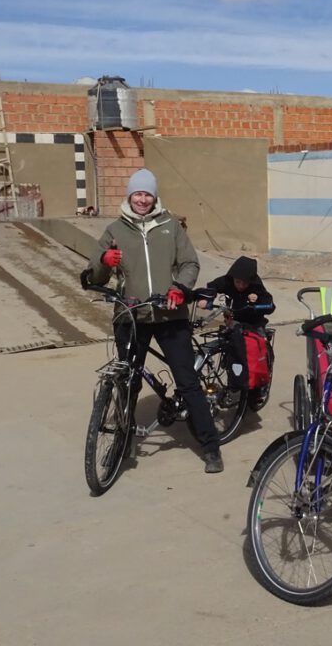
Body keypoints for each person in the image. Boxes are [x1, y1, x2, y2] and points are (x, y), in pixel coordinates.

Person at [83, 168, 224, 474]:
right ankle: (121, 444)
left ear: (154, 196)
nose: (143, 199)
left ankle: (211, 447)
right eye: (138, 194)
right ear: (130, 196)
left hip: (169, 315)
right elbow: (95, 274)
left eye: (147, 194)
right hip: (130, 316)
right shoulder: (114, 231)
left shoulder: (170, 226)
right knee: (128, 382)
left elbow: (189, 262)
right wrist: (103, 262)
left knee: (187, 381)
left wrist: (179, 288)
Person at [199, 256, 276, 410]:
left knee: (260, 352)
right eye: (237, 282)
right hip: (234, 322)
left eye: (244, 283)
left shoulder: (256, 285)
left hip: (253, 324)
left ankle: (260, 384)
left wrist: (258, 299)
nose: (240, 285)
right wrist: (206, 298)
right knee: (230, 348)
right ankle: (232, 377)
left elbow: (270, 305)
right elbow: (211, 287)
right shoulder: (227, 281)